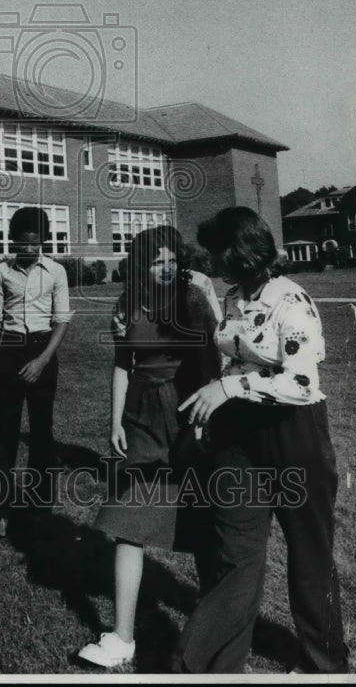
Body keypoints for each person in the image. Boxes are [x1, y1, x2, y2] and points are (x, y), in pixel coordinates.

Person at [172, 206, 348, 674]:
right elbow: (235, 359)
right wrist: (216, 405)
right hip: (238, 438)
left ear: (240, 252)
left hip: (295, 436)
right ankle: (206, 665)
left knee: (309, 555)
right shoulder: (231, 299)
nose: (209, 260)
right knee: (235, 556)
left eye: (216, 252)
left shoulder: (292, 301)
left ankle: (325, 665)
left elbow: (303, 383)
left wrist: (229, 387)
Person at [78, 225, 221, 669]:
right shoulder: (128, 301)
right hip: (141, 415)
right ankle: (122, 637)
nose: (165, 268)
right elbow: (124, 363)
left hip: (187, 411)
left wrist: (203, 423)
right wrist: (115, 419)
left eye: (172, 260)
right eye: (156, 260)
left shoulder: (193, 297)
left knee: (202, 521)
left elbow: (211, 360)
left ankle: (217, 625)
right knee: (128, 519)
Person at [0, 207, 72, 539]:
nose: (29, 250)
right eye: (22, 243)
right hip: (11, 352)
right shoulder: (2, 271)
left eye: (35, 243)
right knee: (5, 434)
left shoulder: (56, 272)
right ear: (12, 240)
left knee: (42, 434)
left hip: (43, 351)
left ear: (43, 241)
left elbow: (61, 321)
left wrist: (43, 360)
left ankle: (40, 505)